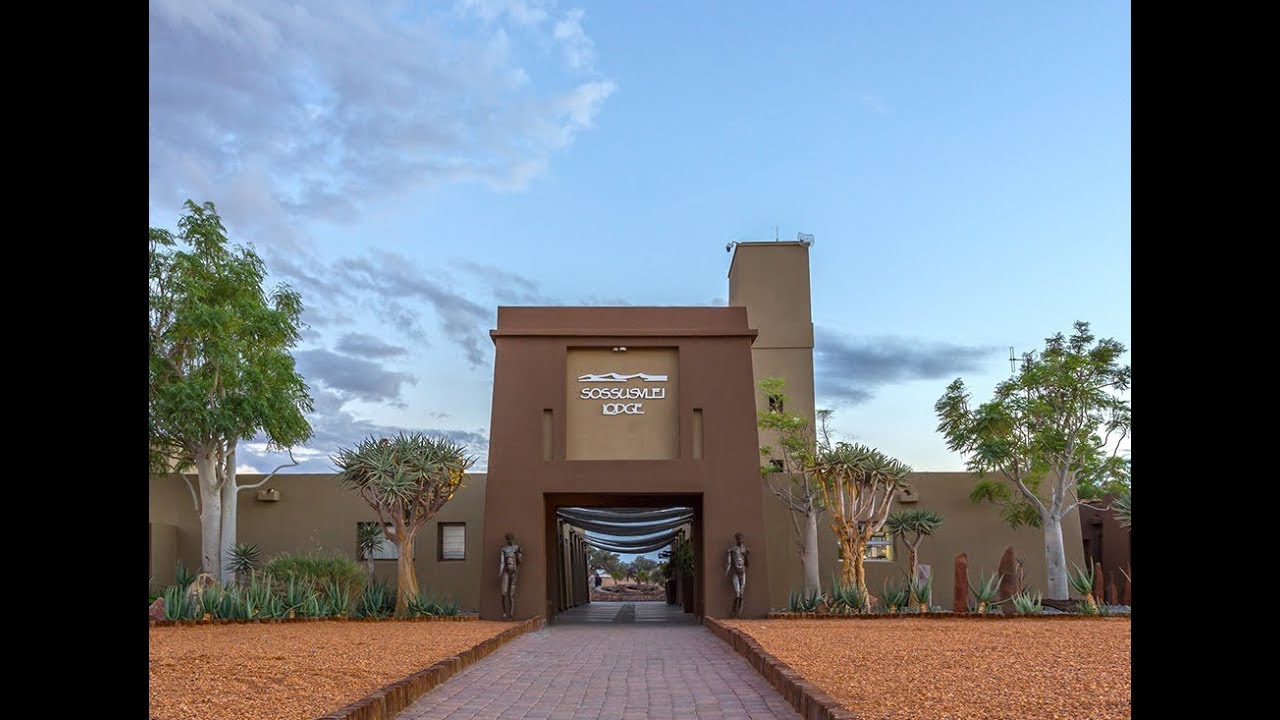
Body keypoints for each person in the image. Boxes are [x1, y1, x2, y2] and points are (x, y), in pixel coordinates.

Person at [499, 532, 523, 619]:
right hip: (506, 571)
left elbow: (520, 561)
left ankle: (511, 615)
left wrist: (519, 553)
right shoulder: (503, 549)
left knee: (511, 595)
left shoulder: (517, 547)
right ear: (506, 540)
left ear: (513, 539)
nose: (509, 541)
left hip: (514, 572)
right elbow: (502, 562)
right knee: (503, 593)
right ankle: (504, 611)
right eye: (507, 539)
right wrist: (500, 572)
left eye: (510, 539)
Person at [725, 532, 749, 616]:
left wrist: (746, 556)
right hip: (735, 572)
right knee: (738, 592)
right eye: (738, 538)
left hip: (742, 572)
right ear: (736, 539)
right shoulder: (732, 550)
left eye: (741, 538)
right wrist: (727, 570)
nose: (740, 540)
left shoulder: (745, 549)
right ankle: (734, 609)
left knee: (742, 592)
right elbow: (729, 562)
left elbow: (747, 564)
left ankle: (740, 611)